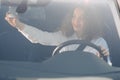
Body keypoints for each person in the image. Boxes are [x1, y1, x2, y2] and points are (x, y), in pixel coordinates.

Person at [5, 4, 112, 65]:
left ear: (90, 21)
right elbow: (41, 37)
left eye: (82, 18)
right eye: (74, 16)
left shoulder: (99, 42)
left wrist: (102, 60)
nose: (76, 21)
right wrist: (19, 26)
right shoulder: (64, 36)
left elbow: (105, 69)